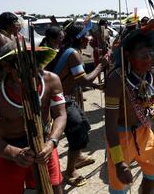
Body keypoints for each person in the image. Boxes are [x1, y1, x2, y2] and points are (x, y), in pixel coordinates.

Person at [0, 43, 67, 193]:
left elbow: (60, 115)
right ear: (6, 66)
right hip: (6, 149)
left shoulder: (51, 81)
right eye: (21, 67)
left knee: (53, 188)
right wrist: (14, 153)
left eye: (33, 65)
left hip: (44, 146)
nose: (29, 73)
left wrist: (52, 142)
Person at [105, 22, 154, 193]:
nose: (148, 57)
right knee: (120, 187)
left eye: (150, 52)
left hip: (145, 131)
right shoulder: (116, 80)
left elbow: (153, 100)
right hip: (120, 136)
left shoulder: (153, 74)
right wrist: (118, 162)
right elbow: (109, 126)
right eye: (142, 53)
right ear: (128, 55)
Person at [50, 24, 108, 186]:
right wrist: (101, 65)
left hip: (65, 98)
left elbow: (77, 79)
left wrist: (97, 86)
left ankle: (78, 157)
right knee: (77, 134)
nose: (89, 41)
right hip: (60, 101)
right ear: (80, 38)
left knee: (83, 125)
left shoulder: (68, 50)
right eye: (87, 37)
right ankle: (70, 171)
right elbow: (84, 81)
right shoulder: (73, 54)